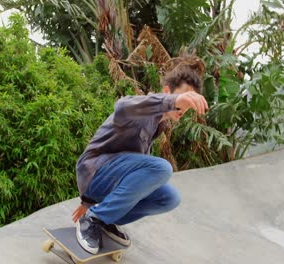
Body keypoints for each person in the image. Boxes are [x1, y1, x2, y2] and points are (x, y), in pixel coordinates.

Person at [72, 62, 208, 254]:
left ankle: (106, 219)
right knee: (162, 168)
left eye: (188, 103)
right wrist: (174, 101)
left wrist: (87, 202)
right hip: (95, 172)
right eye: (182, 97)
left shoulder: (157, 126)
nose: (183, 107)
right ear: (167, 92)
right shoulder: (142, 109)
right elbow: (121, 106)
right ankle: (94, 219)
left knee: (169, 198)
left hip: (107, 179)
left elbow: (134, 174)